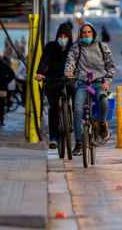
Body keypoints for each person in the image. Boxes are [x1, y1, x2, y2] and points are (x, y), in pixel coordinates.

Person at [64, 22, 116, 156]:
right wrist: (68, 72)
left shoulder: (102, 46)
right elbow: (70, 62)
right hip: (83, 84)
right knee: (77, 109)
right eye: (84, 33)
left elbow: (111, 66)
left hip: (98, 83)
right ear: (80, 34)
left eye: (89, 32)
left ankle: (102, 123)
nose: (86, 35)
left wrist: (107, 81)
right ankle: (79, 143)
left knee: (103, 100)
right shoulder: (76, 47)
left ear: (93, 33)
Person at [36, 21, 73, 149]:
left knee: (77, 98)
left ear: (70, 37)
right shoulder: (50, 47)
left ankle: (72, 119)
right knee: (54, 108)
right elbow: (44, 61)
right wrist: (40, 73)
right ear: (57, 36)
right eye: (60, 36)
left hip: (69, 80)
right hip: (53, 80)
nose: (63, 39)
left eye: (65, 37)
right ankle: (53, 137)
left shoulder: (74, 48)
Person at [0, 52, 15, 126]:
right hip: (2, 88)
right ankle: (1, 121)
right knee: (1, 106)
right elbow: (12, 74)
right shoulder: (4, 65)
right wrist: (6, 81)